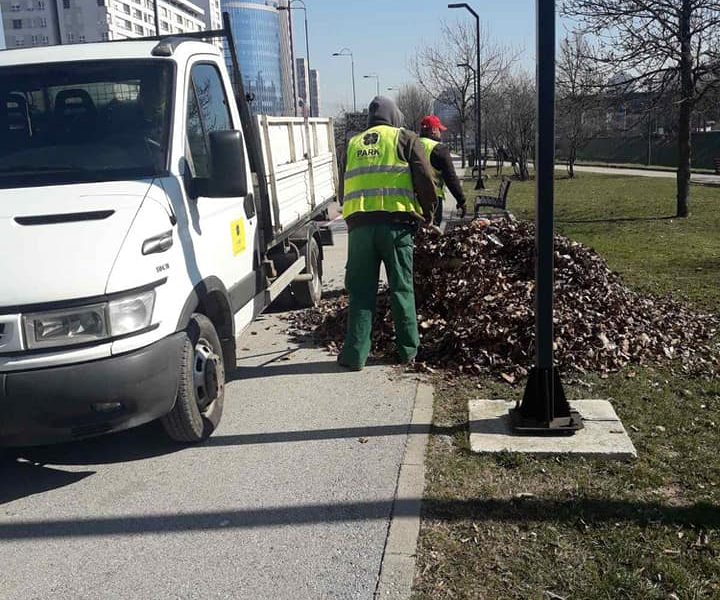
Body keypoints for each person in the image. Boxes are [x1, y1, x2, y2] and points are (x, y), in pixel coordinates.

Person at [338, 96, 437, 371]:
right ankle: (408, 350)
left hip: (359, 229)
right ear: (395, 116)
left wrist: (352, 219)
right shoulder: (406, 139)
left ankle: (355, 355)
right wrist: (428, 213)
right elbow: (424, 179)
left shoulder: (353, 144)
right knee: (401, 289)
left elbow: (342, 188)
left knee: (360, 292)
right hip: (396, 228)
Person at [418, 115, 467, 224]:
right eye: (440, 129)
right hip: (433, 200)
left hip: (411, 200)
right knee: (431, 235)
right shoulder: (439, 149)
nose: (441, 132)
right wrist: (461, 200)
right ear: (434, 131)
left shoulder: (411, 145)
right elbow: (451, 178)